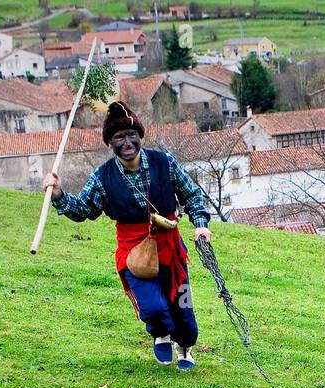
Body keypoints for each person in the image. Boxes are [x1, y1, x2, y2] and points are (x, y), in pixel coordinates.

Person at [43, 101, 212, 371]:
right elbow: (83, 209)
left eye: (131, 135)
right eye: (119, 137)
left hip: (172, 252)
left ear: (139, 136)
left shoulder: (164, 163)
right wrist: (59, 195)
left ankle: (185, 348)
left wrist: (200, 224)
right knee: (154, 308)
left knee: (185, 314)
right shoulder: (103, 177)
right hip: (134, 254)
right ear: (110, 142)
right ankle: (160, 333)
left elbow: (191, 194)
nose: (127, 142)